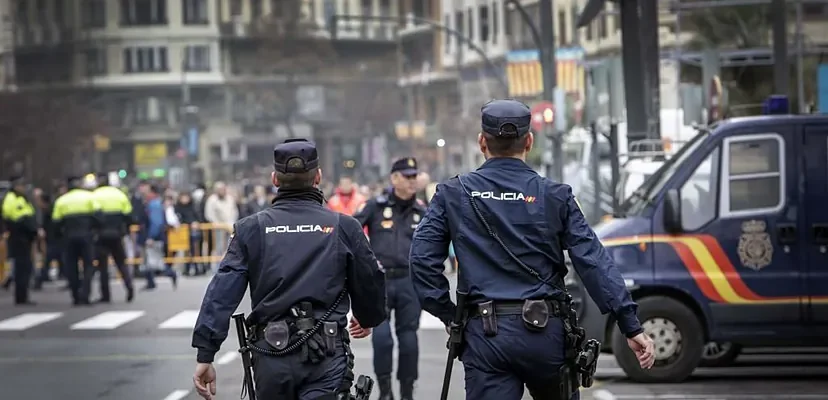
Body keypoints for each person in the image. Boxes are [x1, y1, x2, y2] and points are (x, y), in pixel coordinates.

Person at [409, 99, 656, 400]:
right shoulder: (556, 196)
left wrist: (450, 316)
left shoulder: (453, 193)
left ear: (481, 142)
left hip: (486, 337)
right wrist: (630, 324)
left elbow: (421, 261)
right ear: (529, 141)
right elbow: (593, 262)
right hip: (546, 334)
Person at [191, 138, 387, 400]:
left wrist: (206, 352)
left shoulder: (251, 229)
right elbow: (369, 278)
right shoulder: (344, 226)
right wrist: (367, 316)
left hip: (271, 355)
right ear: (318, 177)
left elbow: (221, 293)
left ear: (274, 179)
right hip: (326, 355)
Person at [353, 157, 426, 400]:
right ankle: (385, 392)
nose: (412, 180)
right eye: (407, 176)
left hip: (408, 282)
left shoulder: (421, 211)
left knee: (408, 341)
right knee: (382, 340)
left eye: (414, 176)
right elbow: (351, 230)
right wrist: (363, 262)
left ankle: (407, 392)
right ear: (394, 178)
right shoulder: (375, 206)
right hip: (380, 282)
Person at [52, 176, 100, 306]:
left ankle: (75, 295)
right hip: (86, 236)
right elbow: (99, 217)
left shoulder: (61, 201)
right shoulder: (90, 197)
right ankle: (85, 294)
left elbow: (55, 223)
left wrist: (59, 237)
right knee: (88, 266)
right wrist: (94, 230)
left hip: (68, 237)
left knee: (71, 266)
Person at [92, 173, 135, 303]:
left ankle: (106, 295)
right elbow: (129, 216)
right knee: (121, 263)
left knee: (103, 267)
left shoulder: (94, 195)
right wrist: (124, 230)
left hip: (101, 235)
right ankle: (129, 287)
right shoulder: (119, 194)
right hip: (117, 234)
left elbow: (92, 216)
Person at [1, 176, 38, 305]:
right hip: (19, 237)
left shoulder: (19, 198)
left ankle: (23, 295)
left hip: (23, 237)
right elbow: (18, 217)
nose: (23, 188)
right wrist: (30, 227)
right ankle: (21, 296)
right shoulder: (13, 198)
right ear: (16, 186)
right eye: (21, 185)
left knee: (25, 267)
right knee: (22, 268)